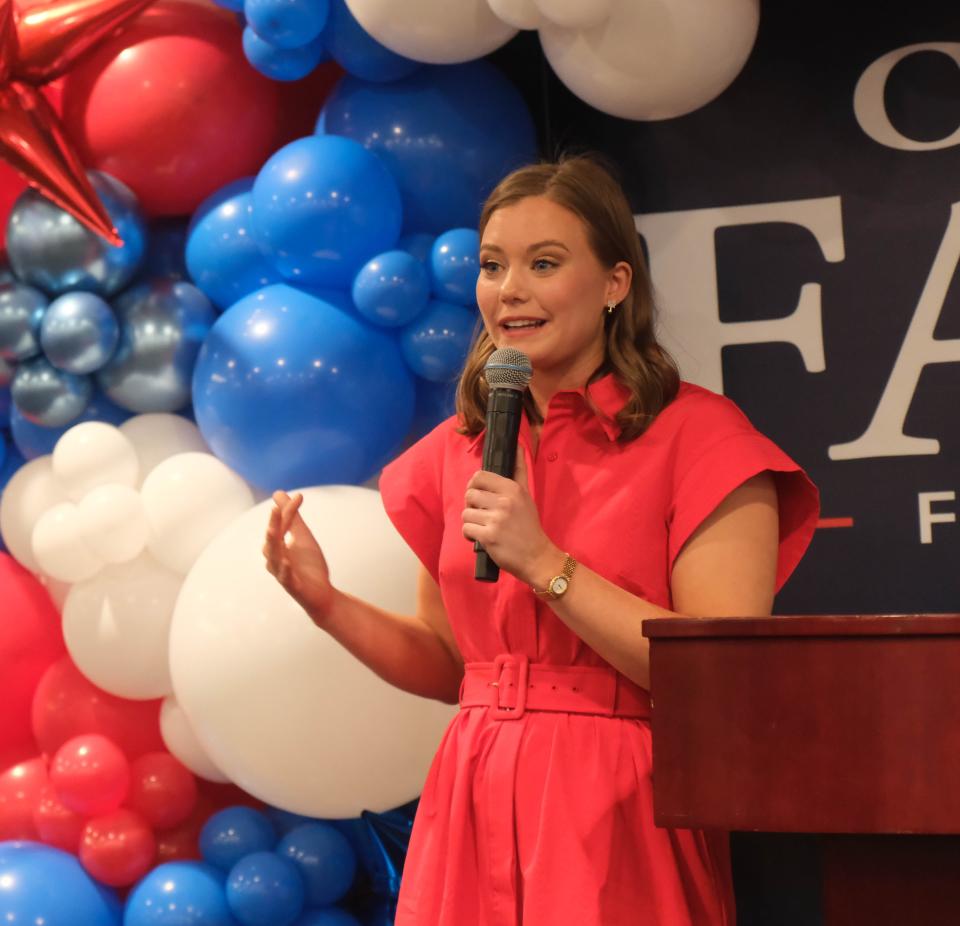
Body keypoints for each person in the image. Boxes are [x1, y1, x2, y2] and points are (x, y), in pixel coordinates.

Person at [262, 155, 819, 926]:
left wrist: (546, 564)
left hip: (621, 801)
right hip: (473, 791)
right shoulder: (455, 451)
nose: (509, 289)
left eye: (544, 263)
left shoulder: (700, 440)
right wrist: (326, 606)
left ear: (617, 283)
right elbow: (453, 664)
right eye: (492, 266)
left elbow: (718, 678)